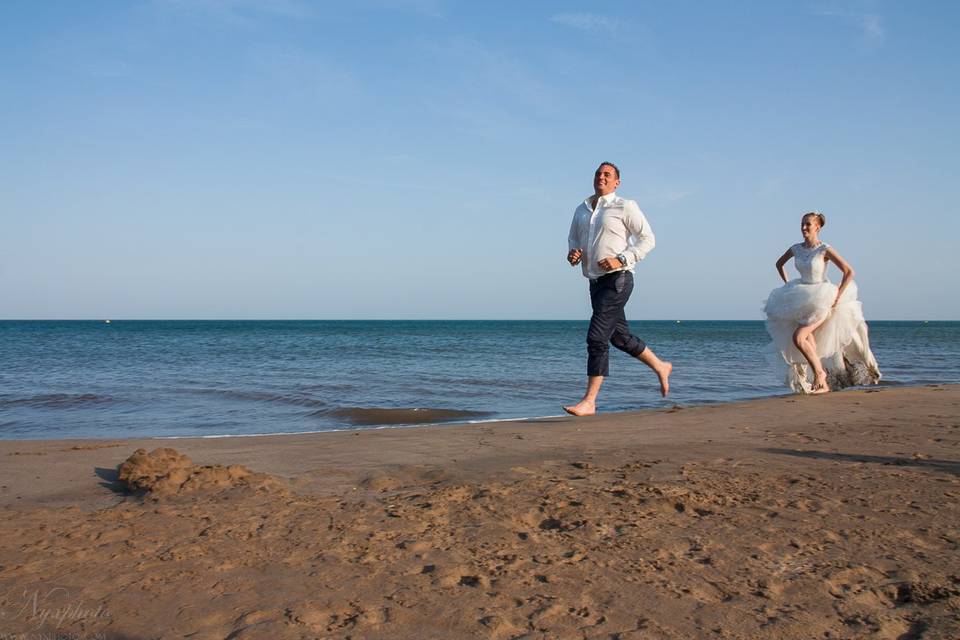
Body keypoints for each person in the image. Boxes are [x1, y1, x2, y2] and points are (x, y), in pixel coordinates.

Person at [563, 162, 672, 417]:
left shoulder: (625, 206)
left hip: (618, 279)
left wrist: (621, 259)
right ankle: (661, 366)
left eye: (607, 175)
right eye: (598, 174)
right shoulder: (581, 209)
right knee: (619, 337)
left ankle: (589, 401)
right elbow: (573, 239)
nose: (601, 177)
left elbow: (648, 240)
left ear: (616, 182)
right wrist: (573, 253)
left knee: (596, 337)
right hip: (595, 282)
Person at [763, 212, 881, 394]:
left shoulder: (824, 249)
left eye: (808, 224)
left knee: (798, 337)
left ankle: (820, 375)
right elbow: (779, 264)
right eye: (802, 224)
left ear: (817, 227)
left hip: (822, 298)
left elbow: (849, 272)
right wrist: (788, 285)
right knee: (810, 342)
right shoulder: (796, 249)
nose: (804, 228)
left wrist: (837, 297)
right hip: (801, 298)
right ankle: (822, 383)